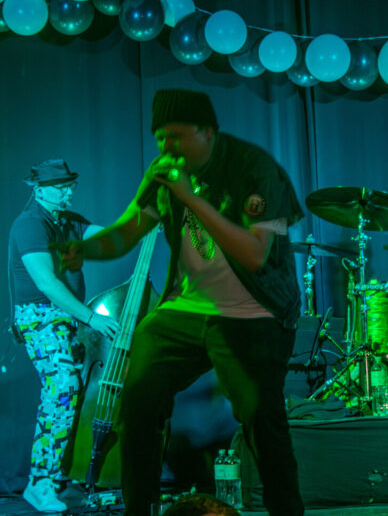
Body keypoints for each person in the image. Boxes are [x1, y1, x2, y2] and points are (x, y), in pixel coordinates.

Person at [59, 89, 305, 516]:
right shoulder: (166, 174)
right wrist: (84, 250)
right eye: (160, 138)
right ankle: (139, 510)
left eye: (176, 136)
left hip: (253, 308)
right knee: (137, 400)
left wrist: (190, 196)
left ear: (207, 133)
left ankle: (286, 511)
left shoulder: (256, 169)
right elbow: (128, 231)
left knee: (260, 413)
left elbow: (254, 254)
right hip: (187, 307)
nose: (166, 147)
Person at [8, 159, 119, 513]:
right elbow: (46, 283)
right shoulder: (30, 224)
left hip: (66, 317)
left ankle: (59, 475)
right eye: (60, 187)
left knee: (74, 393)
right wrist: (90, 317)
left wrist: (147, 224)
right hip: (39, 316)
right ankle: (39, 483)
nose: (68, 191)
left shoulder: (68, 220)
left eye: (70, 185)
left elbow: (109, 236)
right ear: (39, 190)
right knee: (62, 386)